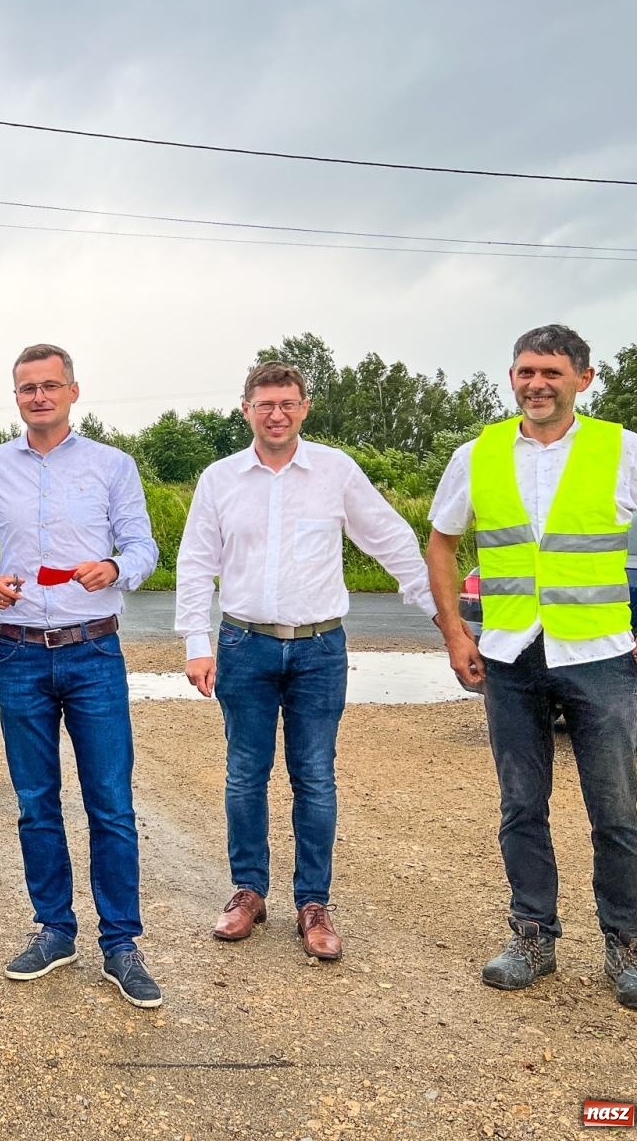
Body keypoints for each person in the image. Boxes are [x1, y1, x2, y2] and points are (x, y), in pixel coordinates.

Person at [427, 324, 637, 1011]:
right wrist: (456, 632)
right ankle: (532, 936)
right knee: (522, 806)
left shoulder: (622, 449)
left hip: (601, 658)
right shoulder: (479, 454)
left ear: (583, 377)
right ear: (512, 377)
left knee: (614, 811)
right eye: (524, 371)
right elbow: (441, 542)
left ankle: (627, 947)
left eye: (550, 372)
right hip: (512, 656)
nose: (536, 384)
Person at [175, 360, 435, 960]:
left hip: (320, 648)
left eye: (287, 403)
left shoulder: (336, 473)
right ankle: (248, 892)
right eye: (264, 403)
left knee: (314, 775)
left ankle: (313, 903)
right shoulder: (220, 479)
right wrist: (196, 642)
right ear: (245, 409)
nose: (276, 413)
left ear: (304, 407)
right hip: (245, 644)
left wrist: (441, 617)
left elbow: (391, 539)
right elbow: (194, 563)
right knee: (245, 774)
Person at [0, 344, 164, 1009]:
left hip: (92, 652)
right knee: (36, 803)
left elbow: (143, 546)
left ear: (73, 391)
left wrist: (115, 567)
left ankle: (121, 944)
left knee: (110, 804)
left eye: (50, 386)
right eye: (27, 388)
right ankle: (55, 930)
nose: (39, 396)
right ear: (15, 396)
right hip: (19, 653)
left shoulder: (111, 466)